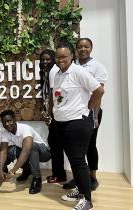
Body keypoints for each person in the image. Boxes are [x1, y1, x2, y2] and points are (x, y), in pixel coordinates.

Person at [50, 42, 104, 210]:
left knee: (79, 161)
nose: (61, 60)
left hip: (77, 123)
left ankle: (87, 200)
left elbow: (99, 91)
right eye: (58, 57)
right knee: (74, 160)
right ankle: (80, 190)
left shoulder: (79, 71)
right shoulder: (57, 74)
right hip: (62, 123)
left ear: (71, 56)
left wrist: (88, 107)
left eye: (64, 56)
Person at [63, 38, 108, 191]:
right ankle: (79, 178)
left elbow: (99, 93)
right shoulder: (72, 65)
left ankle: (92, 177)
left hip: (91, 112)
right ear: (76, 49)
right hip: (75, 112)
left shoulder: (97, 67)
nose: (83, 49)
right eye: (80, 47)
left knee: (90, 145)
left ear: (91, 48)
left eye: (86, 47)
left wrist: (94, 116)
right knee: (76, 149)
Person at [0, 110, 51, 194]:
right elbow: (3, 151)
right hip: (29, 153)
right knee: (10, 149)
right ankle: (27, 170)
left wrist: (12, 171)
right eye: (4, 122)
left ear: (15, 120)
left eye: (9, 121)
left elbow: (26, 151)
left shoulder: (25, 128)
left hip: (44, 153)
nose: (7, 124)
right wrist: (0, 170)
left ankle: (37, 178)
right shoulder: (4, 132)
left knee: (30, 147)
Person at [39, 50, 66, 184]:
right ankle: (58, 174)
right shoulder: (48, 72)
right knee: (56, 145)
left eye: (48, 59)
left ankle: (59, 175)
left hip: (56, 115)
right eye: (43, 60)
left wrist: (50, 114)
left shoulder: (53, 71)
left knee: (56, 146)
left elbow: (53, 96)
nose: (45, 62)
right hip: (54, 115)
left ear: (54, 59)